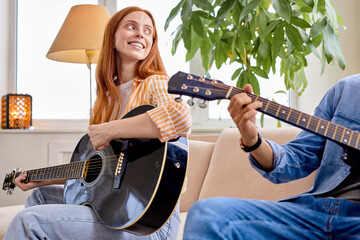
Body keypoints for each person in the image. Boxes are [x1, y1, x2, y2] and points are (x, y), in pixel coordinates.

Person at [4, 6, 191, 240]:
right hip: (114, 209)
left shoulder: (155, 83)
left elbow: (180, 118)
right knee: (39, 196)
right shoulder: (106, 102)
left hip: (148, 223)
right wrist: (44, 178)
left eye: (147, 31)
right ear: (112, 38)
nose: (140, 34)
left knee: (28, 220)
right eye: (131, 27)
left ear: (151, 44)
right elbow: (100, 171)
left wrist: (110, 129)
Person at [183, 75, 360, 239]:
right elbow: (294, 160)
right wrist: (253, 141)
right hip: (317, 214)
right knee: (207, 214)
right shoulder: (346, 91)